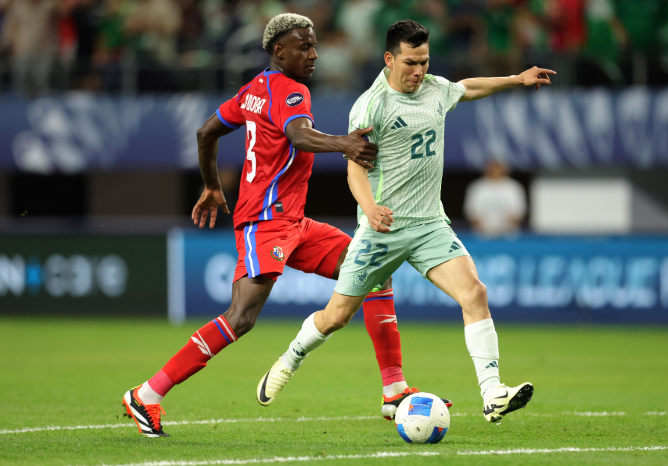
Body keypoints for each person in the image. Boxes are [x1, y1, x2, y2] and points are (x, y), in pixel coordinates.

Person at [121, 13, 448, 438]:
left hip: (294, 221)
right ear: (279, 50)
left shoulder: (253, 90)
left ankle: (393, 389)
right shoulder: (291, 90)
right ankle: (146, 394)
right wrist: (344, 143)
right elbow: (298, 135)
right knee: (241, 317)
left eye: (314, 46)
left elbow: (205, 132)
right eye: (303, 47)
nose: (314, 55)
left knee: (373, 270)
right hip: (265, 221)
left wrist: (211, 185)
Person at [257, 19, 555, 423]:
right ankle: (289, 359)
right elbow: (355, 170)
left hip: (430, 224)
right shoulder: (371, 106)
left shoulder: (435, 89)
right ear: (389, 59)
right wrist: (370, 208)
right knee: (337, 316)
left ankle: (492, 393)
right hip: (382, 229)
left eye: (425, 62)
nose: (419, 71)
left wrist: (516, 79)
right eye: (411, 63)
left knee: (474, 292)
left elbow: (468, 88)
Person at [464, 159, 526, 237]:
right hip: (482, 235)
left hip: (508, 235)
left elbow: (519, 212)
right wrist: (484, 227)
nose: (496, 171)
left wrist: (505, 226)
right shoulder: (477, 187)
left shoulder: (513, 187)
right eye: (493, 168)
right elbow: (471, 212)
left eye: (498, 168)